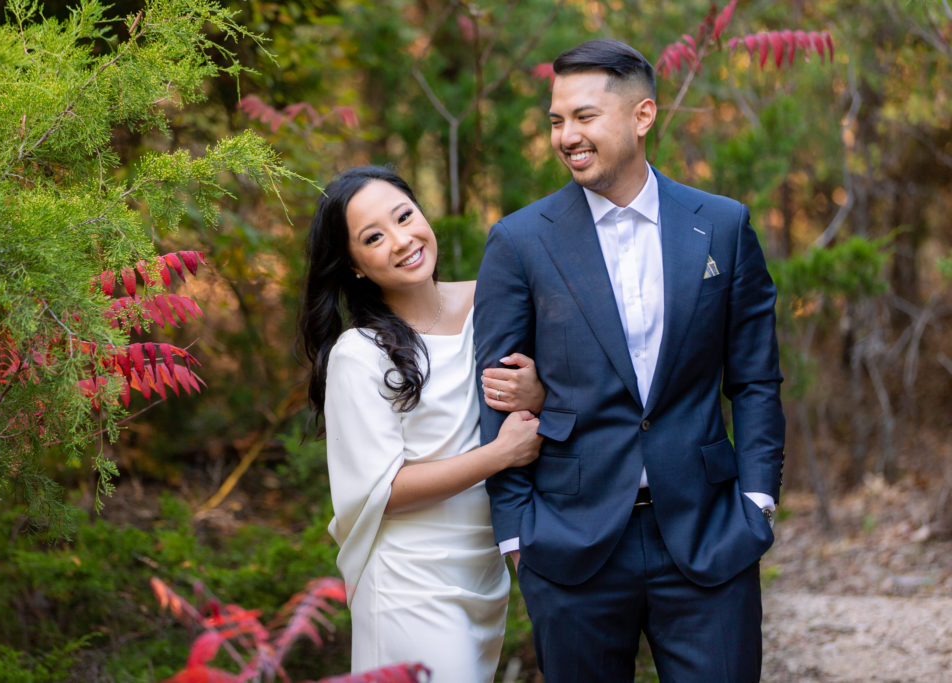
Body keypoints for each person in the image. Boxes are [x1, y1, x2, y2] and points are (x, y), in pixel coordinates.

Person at [474, 39, 785, 681]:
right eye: (557, 120)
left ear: (642, 117)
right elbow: (496, 394)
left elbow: (754, 378)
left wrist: (757, 501)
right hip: (570, 544)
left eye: (584, 117)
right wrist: (516, 533)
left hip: (708, 533)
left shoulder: (722, 226)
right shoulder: (519, 242)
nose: (566, 136)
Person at [299, 165, 545, 682]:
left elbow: (566, 390)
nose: (401, 239)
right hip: (408, 579)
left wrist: (538, 392)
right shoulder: (359, 354)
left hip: (481, 565)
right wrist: (500, 454)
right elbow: (380, 490)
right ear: (355, 265)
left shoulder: (491, 301)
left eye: (404, 216)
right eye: (373, 237)